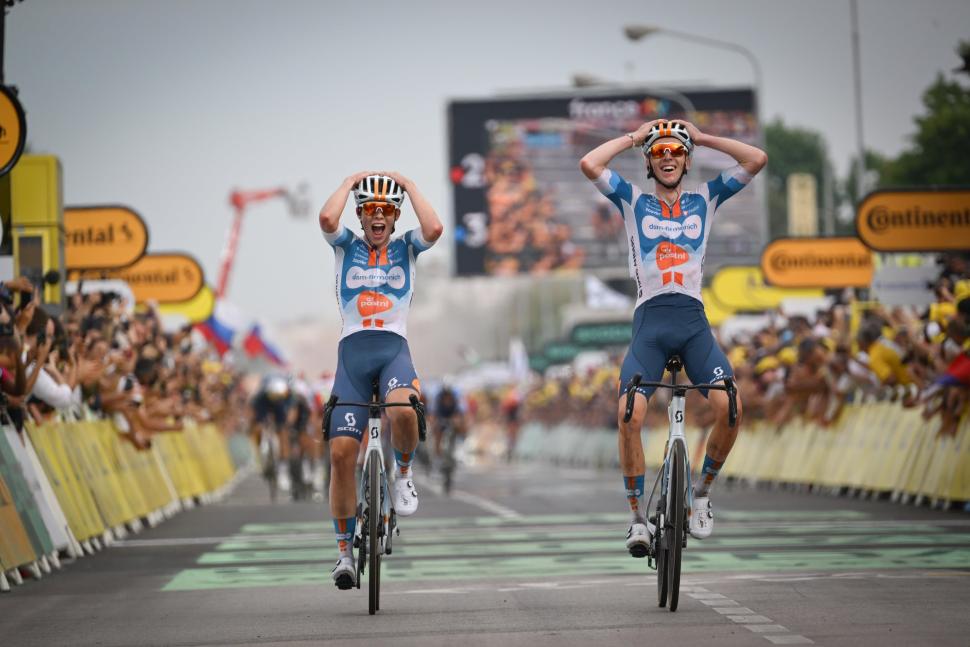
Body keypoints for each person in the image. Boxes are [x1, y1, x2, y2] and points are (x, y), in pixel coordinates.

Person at [579, 119, 767, 556]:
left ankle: (701, 492)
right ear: (649, 159)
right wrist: (634, 136)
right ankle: (636, 519)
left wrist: (700, 137)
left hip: (694, 322)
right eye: (660, 151)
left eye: (677, 152)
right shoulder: (633, 199)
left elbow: (755, 159)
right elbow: (589, 163)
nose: (668, 157)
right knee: (629, 414)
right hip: (650, 323)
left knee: (730, 407)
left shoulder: (707, 197)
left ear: (686, 160)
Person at [319, 171, 442, 589]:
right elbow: (325, 219)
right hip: (352, 354)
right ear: (360, 214)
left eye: (386, 210)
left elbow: (435, 228)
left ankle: (403, 474)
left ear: (394, 216)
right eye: (370, 209)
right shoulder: (346, 245)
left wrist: (407, 186)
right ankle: (343, 554)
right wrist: (350, 180)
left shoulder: (407, 245)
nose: (378, 216)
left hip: (393, 349)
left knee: (406, 409)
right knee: (340, 456)